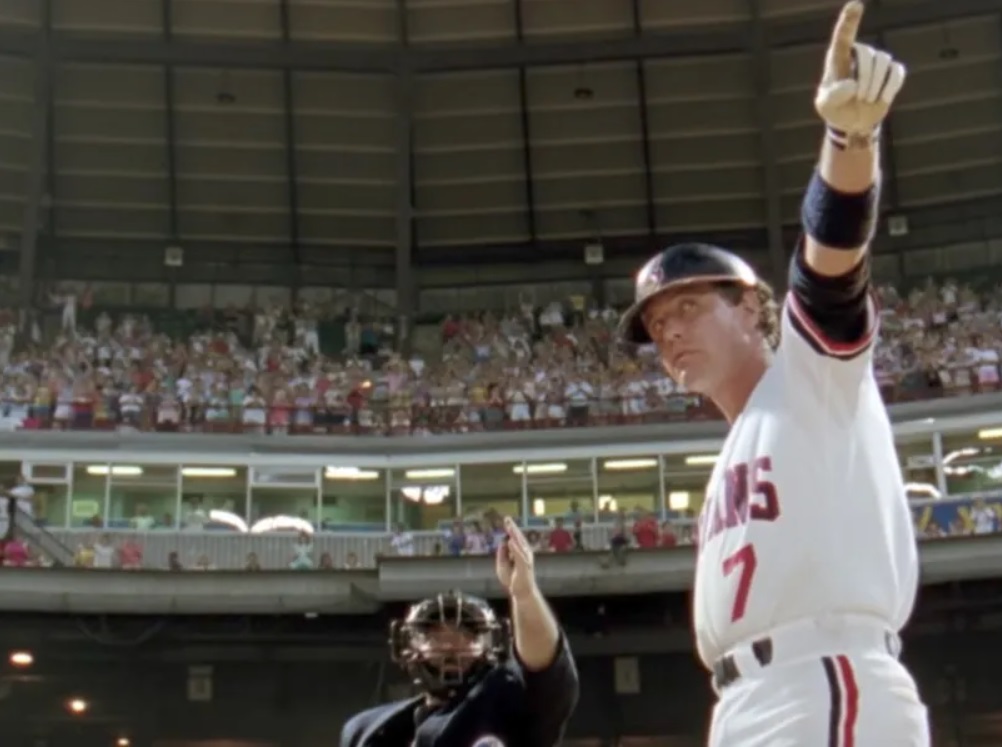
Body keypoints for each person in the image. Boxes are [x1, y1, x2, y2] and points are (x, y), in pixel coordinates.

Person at [616, 3, 928, 745]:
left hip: (824, 677)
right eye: (658, 326)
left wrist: (847, 141)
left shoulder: (810, 373)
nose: (670, 332)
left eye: (686, 307)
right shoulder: (735, 444)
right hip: (742, 698)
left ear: (750, 308)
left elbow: (829, 268)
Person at [339, 518, 578, 747]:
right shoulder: (366, 730)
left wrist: (524, 595)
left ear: (491, 643)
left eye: (467, 633)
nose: (450, 643)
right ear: (407, 646)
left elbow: (544, 668)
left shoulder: (509, 705)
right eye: (433, 634)